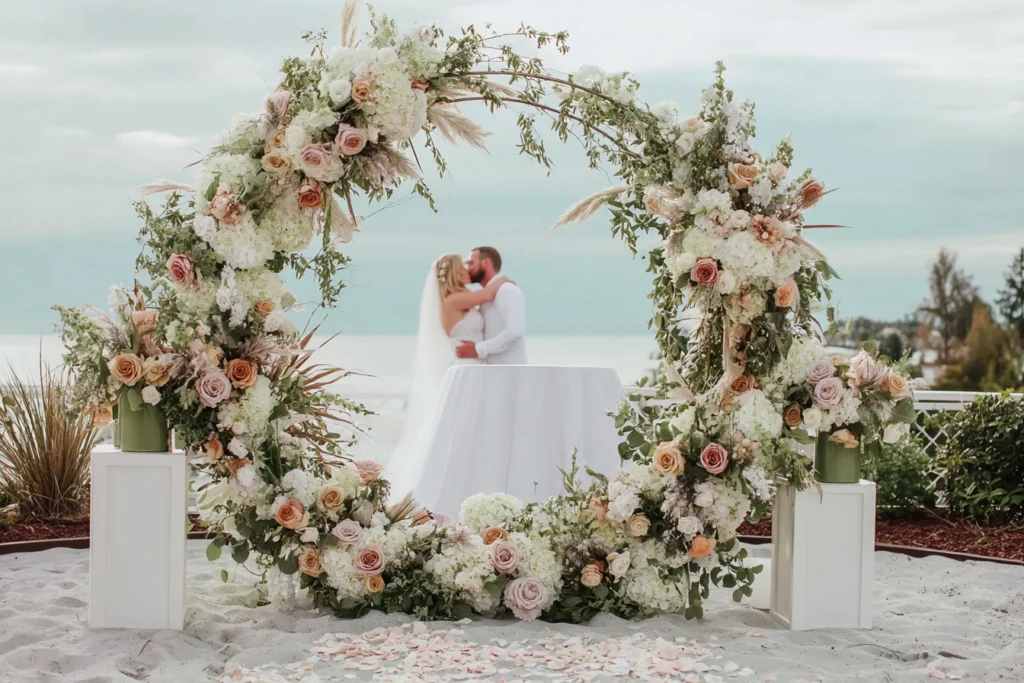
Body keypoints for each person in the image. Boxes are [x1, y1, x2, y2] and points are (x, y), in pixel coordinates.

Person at [383, 253, 510, 494]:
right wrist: (503, 281)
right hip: (466, 368)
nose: (467, 271)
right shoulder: (454, 299)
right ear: (454, 272)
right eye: (462, 267)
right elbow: (487, 295)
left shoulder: (459, 299)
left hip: (474, 366)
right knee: (462, 425)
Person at [455, 246, 528, 364]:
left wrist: (478, 349)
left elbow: (515, 331)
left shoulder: (507, 289)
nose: (468, 269)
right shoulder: (487, 296)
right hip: (492, 371)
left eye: (471, 263)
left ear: (486, 263)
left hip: (510, 371)